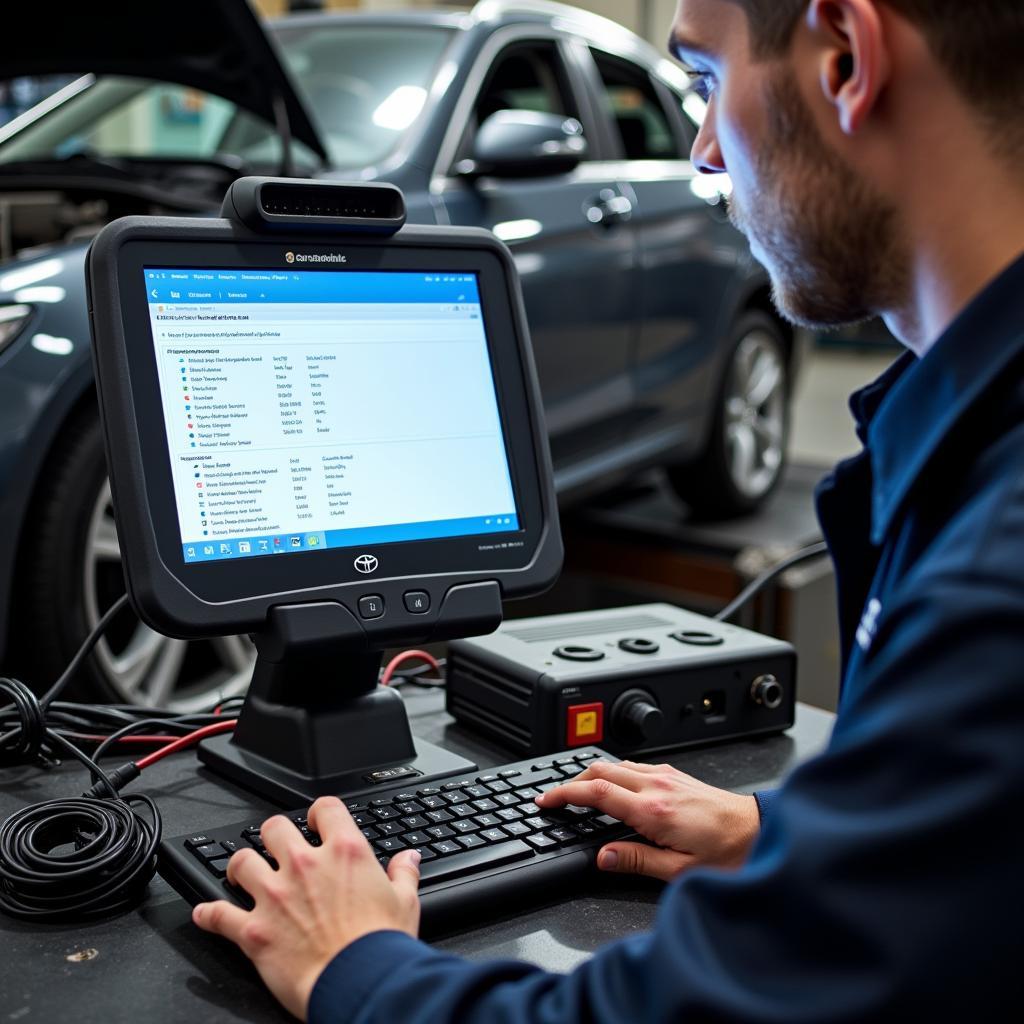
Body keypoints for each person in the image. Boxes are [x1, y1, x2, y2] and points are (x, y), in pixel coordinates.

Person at [192, 0, 1024, 1019]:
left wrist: (355, 963)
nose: (704, 150)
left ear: (845, 57)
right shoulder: (981, 456)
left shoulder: (994, 573)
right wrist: (797, 837)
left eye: (710, 83)